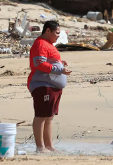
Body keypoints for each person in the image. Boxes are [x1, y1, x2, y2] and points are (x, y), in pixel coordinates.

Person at [28, 20, 71, 153]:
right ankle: (40, 147)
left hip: (53, 86)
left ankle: (49, 146)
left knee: (49, 116)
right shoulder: (41, 43)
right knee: (41, 116)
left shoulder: (49, 44)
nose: (58, 35)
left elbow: (48, 60)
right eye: (56, 33)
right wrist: (60, 70)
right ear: (47, 31)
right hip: (42, 85)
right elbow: (39, 64)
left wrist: (60, 63)